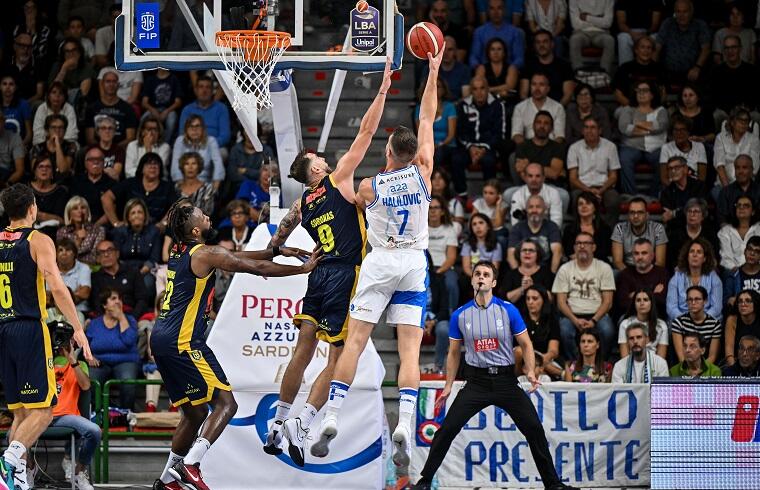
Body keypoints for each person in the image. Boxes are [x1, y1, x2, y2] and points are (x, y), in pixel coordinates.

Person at [259, 61, 392, 466]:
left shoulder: (302, 203)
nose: (324, 158)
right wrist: (383, 88)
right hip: (344, 274)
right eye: (318, 158)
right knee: (337, 360)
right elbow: (367, 133)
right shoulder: (336, 180)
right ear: (316, 169)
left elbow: (275, 240)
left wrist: (288, 251)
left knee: (302, 350)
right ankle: (303, 423)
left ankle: (277, 424)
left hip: (316, 276)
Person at [315, 49, 442, 469]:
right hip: (413, 264)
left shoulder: (369, 186)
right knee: (409, 354)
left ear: (389, 151)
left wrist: (384, 87)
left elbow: (364, 136)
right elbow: (427, 118)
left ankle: (331, 414)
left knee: (354, 341)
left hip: (379, 261)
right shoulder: (424, 170)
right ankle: (405, 421)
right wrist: (434, 69)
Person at [152, 199, 320, 490]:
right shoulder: (205, 253)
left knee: (194, 414)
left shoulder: (180, 250)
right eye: (201, 215)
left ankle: (168, 480)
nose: (207, 215)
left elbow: (234, 255)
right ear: (195, 229)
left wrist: (279, 250)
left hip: (161, 339)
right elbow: (252, 266)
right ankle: (191, 464)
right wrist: (301, 269)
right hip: (184, 342)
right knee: (227, 404)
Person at [411, 262, 578, 490]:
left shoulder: (508, 310)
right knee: (447, 429)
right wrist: (449, 385)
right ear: (472, 281)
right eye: (477, 274)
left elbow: (526, 344)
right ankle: (425, 481)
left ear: (494, 282)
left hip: (505, 381)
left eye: (486, 274)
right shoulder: (460, 315)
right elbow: (452, 354)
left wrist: (529, 370)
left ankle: (553, 484)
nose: (481, 277)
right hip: (476, 382)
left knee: (534, 429)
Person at [0, 183, 93, 489]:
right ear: (32, 209)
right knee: (43, 410)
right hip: (28, 327)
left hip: (2, 330)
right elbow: (56, 285)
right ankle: (9, 461)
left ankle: (15, 480)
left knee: (20, 413)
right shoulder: (38, 240)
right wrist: (77, 328)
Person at [48, 322, 99, 490]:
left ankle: (79, 471)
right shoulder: (43, 360)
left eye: (64, 339)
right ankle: (29, 469)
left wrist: (72, 360)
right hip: (41, 415)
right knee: (13, 434)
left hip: (66, 415)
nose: (60, 342)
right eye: (57, 337)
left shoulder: (79, 363)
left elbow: (85, 386)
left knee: (94, 431)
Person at [553, 231, 616, 360]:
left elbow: (608, 301)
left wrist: (594, 320)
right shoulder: (565, 269)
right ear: (574, 247)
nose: (582, 246)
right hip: (572, 315)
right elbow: (561, 302)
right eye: (578, 243)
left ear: (593, 247)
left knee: (607, 330)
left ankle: (600, 365)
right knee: (564, 331)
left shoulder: (604, 268)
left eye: (586, 243)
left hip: (597, 314)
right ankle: (577, 365)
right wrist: (575, 320)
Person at [85, 288, 140, 411]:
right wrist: (89, 356)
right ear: (104, 305)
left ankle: (126, 414)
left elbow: (128, 341)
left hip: (126, 361)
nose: (118, 302)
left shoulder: (130, 320)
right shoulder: (94, 324)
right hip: (100, 362)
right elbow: (85, 344)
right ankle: (97, 414)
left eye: (119, 299)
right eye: (113, 299)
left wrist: (121, 317)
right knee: (91, 380)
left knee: (128, 381)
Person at [566, 115, 621, 226]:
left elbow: (613, 176)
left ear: (600, 130)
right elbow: (572, 178)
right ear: (582, 130)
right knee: (576, 198)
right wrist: (589, 191)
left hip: (604, 188)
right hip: (582, 188)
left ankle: (606, 233)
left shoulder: (610, 147)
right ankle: (580, 231)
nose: (589, 131)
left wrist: (600, 191)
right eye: (586, 127)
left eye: (593, 127)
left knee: (614, 200)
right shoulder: (574, 148)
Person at [617, 81, 669, 195]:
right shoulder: (628, 109)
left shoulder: (661, 110)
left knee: (663, 158)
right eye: (638, 91)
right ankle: (630, 196)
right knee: (624, 159)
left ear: (652, 94)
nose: (641, 93)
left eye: (645, 91)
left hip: (656, 147)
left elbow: (660, 126)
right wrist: (650, 129)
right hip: (631, 146)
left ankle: (654, 195)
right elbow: (624, 128)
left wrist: (636, 124)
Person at [452, 76, 505, 187]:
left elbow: (499, 133)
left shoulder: (497, 105)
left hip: (489, 147)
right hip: (468, 147)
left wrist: (484, 148)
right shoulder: (463, 105)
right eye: (475, 89)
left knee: (489, 161)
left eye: (482, 88)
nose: (479, 92)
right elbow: (459, 132)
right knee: (456, 159)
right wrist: (471, 147)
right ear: (471, 91)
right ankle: (462, 196)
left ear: (488, 89)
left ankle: (490, 195)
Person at [102, 152, 178, 229]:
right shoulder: (130, 183)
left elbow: (177, 206)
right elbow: (106, 197)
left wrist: (163, 223)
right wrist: (116, 223)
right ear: (141, 168)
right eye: (148, 164)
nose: (153, 167)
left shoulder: (167, 187)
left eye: (156, 164)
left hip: (155, 231)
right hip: (128, 229)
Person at [510, 113, 567, 209]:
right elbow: (521, 172)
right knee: (508, 194)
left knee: (564, 196)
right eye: (539, 122)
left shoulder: (557, 148)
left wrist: (529, 165)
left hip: (550, 187)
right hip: (527, 187)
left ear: (551, 128)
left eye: (546, 123)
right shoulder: (523, 146)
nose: (542, 126)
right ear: (533, 125)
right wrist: (544, 171)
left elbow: (554, 173)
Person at [655, 0, 710, 85]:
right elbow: (657, 47)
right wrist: (652, 68)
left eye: (685, 11)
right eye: (678, 11)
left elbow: (706, 49)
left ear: (691, 12)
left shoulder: (700, 25)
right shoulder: (668, 23)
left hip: (692, 72)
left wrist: (697, 67)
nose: (681, 15)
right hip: (668, 71)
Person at [667, 239, 723, 321]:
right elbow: (671, 308)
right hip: (682, 322)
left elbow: (716, 308)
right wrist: (687, 321)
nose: (695, 255)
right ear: (687, 256)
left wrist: (701, 320)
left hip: (707, 321)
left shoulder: (714, 278)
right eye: (692, 251)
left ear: (704, 258)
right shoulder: (676, 278)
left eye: (699, 252)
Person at [709, 35, 759, 127]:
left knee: (756, 116)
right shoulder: (716, 72)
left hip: (746, 111)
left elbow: (755, 94)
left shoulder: (752, 70)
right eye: (727, 48)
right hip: (724, 112)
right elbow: (713, 97)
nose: (730, 51)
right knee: (716, 116)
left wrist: (746, 108)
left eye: (733, 47)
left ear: (740, 49)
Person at [507, 195, 563, 273]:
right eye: (531, 207)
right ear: (526, 209)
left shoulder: (552, 227)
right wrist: (519, 276)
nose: (534, 210)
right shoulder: (517, 228)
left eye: (538, 207)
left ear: (545, 209)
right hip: (522, 271)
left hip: (545, 272)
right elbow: (511, 255)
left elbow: (557, 253)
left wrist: (551, 276)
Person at [519, 29, 575, 105]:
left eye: (545, 41)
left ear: (552, 44)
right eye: (538, 42)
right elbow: (523, 94)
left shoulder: (565, 65)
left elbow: (568, 95)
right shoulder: (528, 65)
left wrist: (556, 110)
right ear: (534, 46)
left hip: (558, 109)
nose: (541, 45)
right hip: (532, 109)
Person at [611, 197, 668, 271]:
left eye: (640, 212)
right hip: (627, 270)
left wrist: (646, 275)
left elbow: (660, 262)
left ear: (647, 215)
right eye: (632, 212)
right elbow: (617, 262)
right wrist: (632, 277)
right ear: (628, 215)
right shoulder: (619, 228)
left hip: (651, 270)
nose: (635, 216)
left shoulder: (658, 228)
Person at [615, 239, 669, 317]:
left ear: (652, 256)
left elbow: (662, 300)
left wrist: (634, 295)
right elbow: (622, 303)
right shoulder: (625, 274)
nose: (640, 257)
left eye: (644, 253)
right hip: (631, 316)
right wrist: (653, 293)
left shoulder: (662, 273)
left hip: (656, 316)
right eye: (636, 253)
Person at [517, 286, 562, 378]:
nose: (530, 302)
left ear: (543, 300)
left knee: (539, 364)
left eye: (535, 298)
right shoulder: (519, 319)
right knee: (519, 352)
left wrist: (541, 359)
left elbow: (553, 351)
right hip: (522, 360)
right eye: (528, 298)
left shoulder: (551, 321)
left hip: (543, 359)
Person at [84, 70, 137, 148]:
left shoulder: (127, 108)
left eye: (114, 82)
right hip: (97, 149)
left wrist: (113, 150)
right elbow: (90, 139)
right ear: (102, 84)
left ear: (118, 85)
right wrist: (103, 149)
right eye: (108, 81)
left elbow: (130, 138)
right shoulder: (92, 108)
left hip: (120, 149)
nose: (111, 84)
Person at [671, 285, 723, 363]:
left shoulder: (715, 325)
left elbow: (712, 356)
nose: (693, 302)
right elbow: (681, 356)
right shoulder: (678, 322)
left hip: (706, 367)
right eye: (690, 299)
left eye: (697, 299)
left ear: (705, 301)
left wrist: (699, 372)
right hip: (684, 367)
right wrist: (690, 371)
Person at [178, 75, 231, 150]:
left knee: (223, 152)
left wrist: (208, 145)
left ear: (213, 90)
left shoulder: (221, 108)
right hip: (191, 147)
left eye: (208, 87)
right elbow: (182, 133)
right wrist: (195, 146)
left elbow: (225, 136)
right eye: (201, 87)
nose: (204, 90)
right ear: (195, 90)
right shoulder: (187, 110)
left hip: (214, 147)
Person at [512, 72, 566, 146]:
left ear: (548, 88)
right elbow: (516, 135)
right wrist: (530, 149)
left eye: (541, 85)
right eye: (534, 84)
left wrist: (547, 151)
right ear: (530, 87)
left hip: (550, 149)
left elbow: (559, 137)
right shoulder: (520, 107)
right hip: (527, 148)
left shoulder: (558, 108)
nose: (537, 88)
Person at [500, 239, 555, 311]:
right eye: (524, 250)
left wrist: (534, 286)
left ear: (538, 254)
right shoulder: (510, 274)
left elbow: (551, 299)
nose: (527, 252)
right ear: (519, 254)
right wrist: (522, 288)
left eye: (531, 250)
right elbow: (505, 300)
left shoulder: (546, 272)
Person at [612, 36, 666, 109]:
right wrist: (635, 109)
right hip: (628, 107)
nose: (646, 51)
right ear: (636, 50)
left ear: (653, 51)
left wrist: (651, 109)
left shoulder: (659, 68)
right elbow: (618, 94)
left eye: (649, 48)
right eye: (642, 47)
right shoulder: (625, 68)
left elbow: (663, 93)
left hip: (653, 108)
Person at [414, 78, 457, 170]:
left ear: (444, 90)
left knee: (438, 154)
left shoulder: (449, 107)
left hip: (446, 145)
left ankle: (437, 182)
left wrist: (439, 145)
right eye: (431, 86)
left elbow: (451, 135)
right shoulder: (420, 108)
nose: (434, 89)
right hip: (427, 146)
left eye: (438, 87)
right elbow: (421, 134)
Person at [171, 115, 225, 188]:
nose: (194, 130)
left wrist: (214, 189)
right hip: (184, 183)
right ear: (186, 130)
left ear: (203, 128)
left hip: (205, 184)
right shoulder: (180, 141)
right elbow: (175, 166)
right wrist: (182, 187)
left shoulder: (211, 141)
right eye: (191, 126)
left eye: (197, 126)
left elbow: (218, 165)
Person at [469, 0, 526, 69]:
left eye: (499, 8)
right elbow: (474, 57)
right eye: (492, 8)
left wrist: (512, 68)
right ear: (488, 11)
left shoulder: (515, 32)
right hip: (485, 72)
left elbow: (519, 58)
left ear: (505, 10)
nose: (496, 13)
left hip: (508, 71)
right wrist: (479, 68)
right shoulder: (479, 32)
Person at [665, 198, 719, 271]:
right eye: (689, 211)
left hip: (704, 272)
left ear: (703, 216)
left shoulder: (710, 235)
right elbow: (671, 260)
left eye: (696, 211)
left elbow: (714, 259)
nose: (692, 214)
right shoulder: (675, 235)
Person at [68, 146, 116, 226]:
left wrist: (95, 226)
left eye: (99, 159)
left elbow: (112, 209)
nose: (96, 162)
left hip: (103, 226)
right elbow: (71, 207)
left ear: (104, 163)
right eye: (91, 160)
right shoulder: (75, 182)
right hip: (78, 225)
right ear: (85, 163)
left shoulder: (112, 184)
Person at [427, 196, 459, 313]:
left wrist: (438, 272)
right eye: (430, 208)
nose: (433, 211)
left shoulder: (449, 229)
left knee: (451, 284)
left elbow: (451, 257)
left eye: (436, 208)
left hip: (444, 268)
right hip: (424, 268)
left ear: (442, 211)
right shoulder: (421, 229)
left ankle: (451, 315)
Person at [714, 110, 760, 192]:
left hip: (746, 185)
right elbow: (719, 166)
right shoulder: (720, 138)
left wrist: (742, 188)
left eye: (746, 121)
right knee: (718, 195)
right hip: (724, 185)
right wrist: (728, 190)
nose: (744, 123)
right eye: (740, 120)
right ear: (732, 122)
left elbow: (754, 167)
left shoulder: (754, 139)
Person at [659, 155, 707, 232]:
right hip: (676, 230)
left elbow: (700, 209)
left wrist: (674, 213)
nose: (673, 171)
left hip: (699, 228)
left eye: (676, 168)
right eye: (670, 169)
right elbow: (668, 217)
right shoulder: (666, 192)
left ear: (685, 169)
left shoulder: (699, 186)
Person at [617, 289, 669, 358]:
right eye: (638, 300)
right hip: (631, 364)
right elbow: (624, 357)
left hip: (654, 364)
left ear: (651, 303)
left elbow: (661, 358)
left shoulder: (661, 325)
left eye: (645, 300)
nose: (642, 303)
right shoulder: (625, 324)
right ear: (634, 304)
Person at [561, 191, 612, 261]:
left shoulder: (605, 229)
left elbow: (605, 252)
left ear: (595, 208)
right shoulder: (569, 229)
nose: (584, 206)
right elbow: (569, 252)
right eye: (580, 204)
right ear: (577, 208)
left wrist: (585, 257)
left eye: (588, 203)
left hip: (599, 266)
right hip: (575, 265)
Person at [56, 195, 106, 266]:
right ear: (69, 213)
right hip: (68, 268)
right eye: (75, 208)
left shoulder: (98, 230)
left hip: (91, 268)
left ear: (88, 212)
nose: (80, 211)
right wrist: (77, 243)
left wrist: (74, 254)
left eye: (83, 208)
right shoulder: (62, 232)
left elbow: (95, 256)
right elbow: (63, 257)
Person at [568, 0, 615, 74]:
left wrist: (587, 17)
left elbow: (608, 23)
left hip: (601, 33)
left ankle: (604, 75)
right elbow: (576, 24)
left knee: (609, 40)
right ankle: (578, 75)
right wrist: (598, 19)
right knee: (574, 40)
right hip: (581, 32)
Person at [30, 156, 69, 238]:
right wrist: (49, 217)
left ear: (53, 172)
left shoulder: (61, 192)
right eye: (40, 166)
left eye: (48, 167)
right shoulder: (24, 189)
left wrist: (38, 215)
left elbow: (62, 220)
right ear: (34, 171)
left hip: (53, 235)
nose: (44, 169)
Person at [659, 117, 708, 183]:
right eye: (676, 130)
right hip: (673, 188)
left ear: (688, 132)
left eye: (683, 130)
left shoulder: (699, 147)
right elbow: (664, 178)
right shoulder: (666, 148)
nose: (679, 133)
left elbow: (702, 177)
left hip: (695, 189)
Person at [718, 195, 760, 272]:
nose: (741, 207)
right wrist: (739, 272)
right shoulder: (725, 231)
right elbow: (725, 259)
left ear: (753, 211)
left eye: (746, 205)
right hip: (733, 273)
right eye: (738, 205)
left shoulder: (758, 229)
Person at [141, 69, 184, 143]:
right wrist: (153, 110)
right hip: (153, 109)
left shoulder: (174, 79)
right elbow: (144, 102)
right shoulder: (150, 79)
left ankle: (165, 144)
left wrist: (166, 111)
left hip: (169, 110)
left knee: (171, 121)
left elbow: (178, 102)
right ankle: (142, 143)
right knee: (143, 119)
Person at [716, 154, 760, 226]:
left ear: (752, 170)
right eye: (737, 168)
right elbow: (722, 219)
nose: (740, 171)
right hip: (731, 233)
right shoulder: (725, 192)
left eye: (744, 168)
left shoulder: (758, 191)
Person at [615, 0, 662, 65]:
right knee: (623, 38)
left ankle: (652, 71)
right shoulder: (622, 1)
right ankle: (625, 70)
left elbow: (655, 24)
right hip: (629, 32)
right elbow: (621, 23)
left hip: (648, 32)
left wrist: (645, 35)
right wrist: (632, 33)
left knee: (656, 37)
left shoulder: (656, 1)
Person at [30, 114, 76, 178]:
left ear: (65, 131)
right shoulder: (38, 147)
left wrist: (57, 144)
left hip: (63, 183)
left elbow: (62, 170)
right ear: (47, 130)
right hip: (43, 181)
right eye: (53, 127)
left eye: (60, 127)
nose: (57, 131)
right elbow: (34, 170)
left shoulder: (70, 146)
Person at [175, 152, 217, 217]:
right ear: (182, 167)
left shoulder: (208, 188)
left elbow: (208, 212)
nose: (190, 167)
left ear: (199, 166)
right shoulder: (176, 187)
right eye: (186, 164)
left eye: (194, 164)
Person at [724, 290, 760, 364]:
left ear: (755, 303)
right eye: (740, 301)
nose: (743, 304)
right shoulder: (732, 319)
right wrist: (734, 368)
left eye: (748, 300)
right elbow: (729, 349)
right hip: (738, 362)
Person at [430, 167, 465, 236]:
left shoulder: (455, 203)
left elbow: (459, 225)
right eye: (434, 178)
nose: (437, 181)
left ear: (446, 182)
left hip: (448, 235)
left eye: (440, 178)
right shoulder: (423, 201)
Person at [724, 240, 760, 307]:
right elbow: (725, 301)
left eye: (757, 251)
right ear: (744, 251)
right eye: (749, 249)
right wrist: (731, 300)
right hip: (740, 314)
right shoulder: (733, 275)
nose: (752, 253)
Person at [0, 74, 32, 148]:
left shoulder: (23, 104)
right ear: (0, 87)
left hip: (19, 146)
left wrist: (19, 147)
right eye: (4, 84)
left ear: (15, 87)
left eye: (11, 84)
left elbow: (29, 134)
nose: (7, 87)